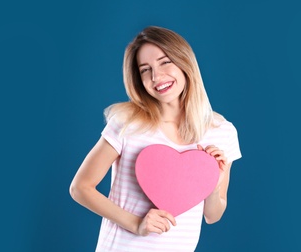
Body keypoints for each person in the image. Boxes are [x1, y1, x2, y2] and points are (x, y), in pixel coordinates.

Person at [69, 26, 242, 251]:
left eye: (165, 62)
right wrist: (136, 224)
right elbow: (80, 188)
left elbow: (213, 216)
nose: (156, 77)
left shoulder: (221, 131)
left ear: (184, 62)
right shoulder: (128, 123)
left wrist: (211, 182)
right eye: (145, 70)